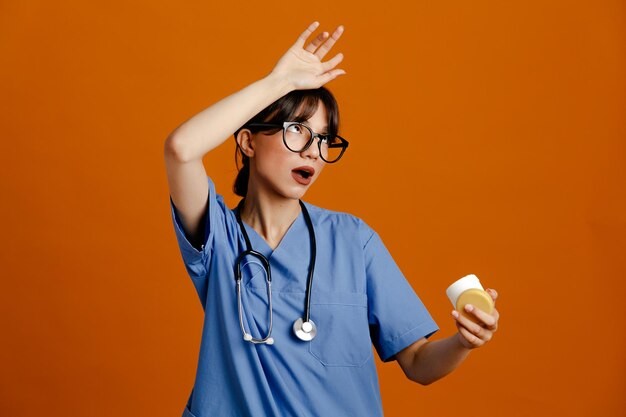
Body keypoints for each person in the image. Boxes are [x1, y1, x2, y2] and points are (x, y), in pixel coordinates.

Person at [164, 21, 500, 417]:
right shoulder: (218, 237)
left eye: (323, 139)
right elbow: (182, 148)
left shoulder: (353, 240)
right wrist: (278, 83)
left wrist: (464, 342)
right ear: (248, 141)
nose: (313, 152)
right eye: (297, 131)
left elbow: (419, 363)